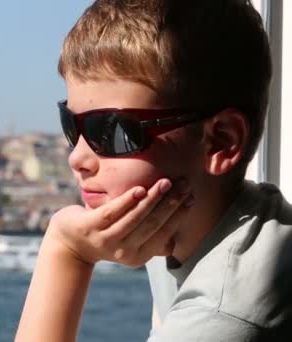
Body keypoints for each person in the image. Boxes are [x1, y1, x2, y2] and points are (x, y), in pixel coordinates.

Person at [15, 0, 292, 341]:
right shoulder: (200, 222)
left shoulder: (224, 318)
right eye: (72, 126)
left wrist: (67, 250)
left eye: (114, 131)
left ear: (222, 141)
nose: (78, 158)